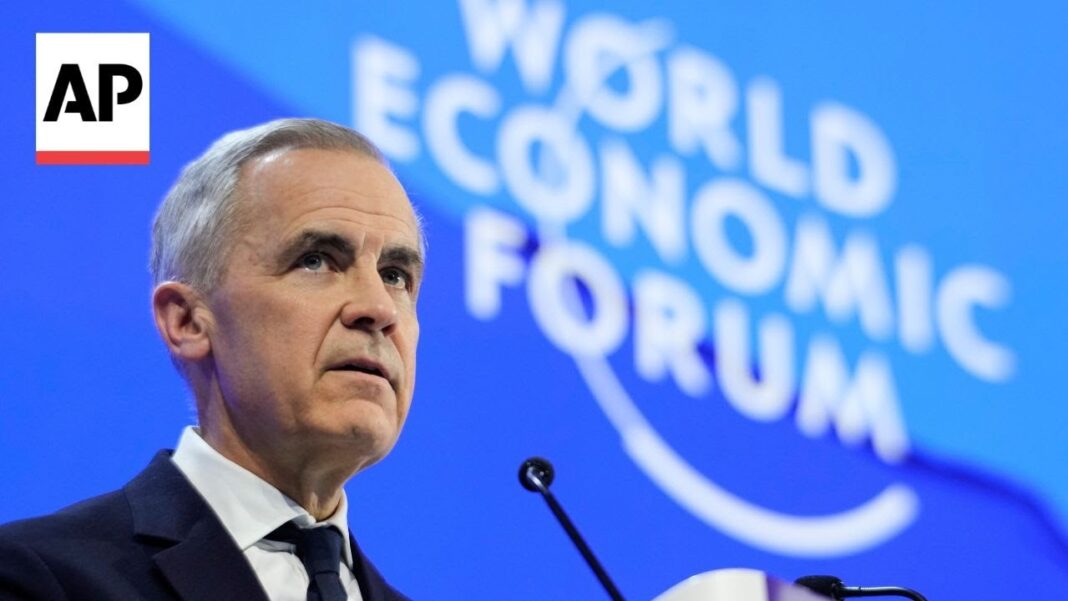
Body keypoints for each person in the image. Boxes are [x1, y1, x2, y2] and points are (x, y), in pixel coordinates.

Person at [0, 118, 424, 601]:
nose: (379, 308)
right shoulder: (40, 580)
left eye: (395, 274)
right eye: (316, 260)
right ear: (187, 321)